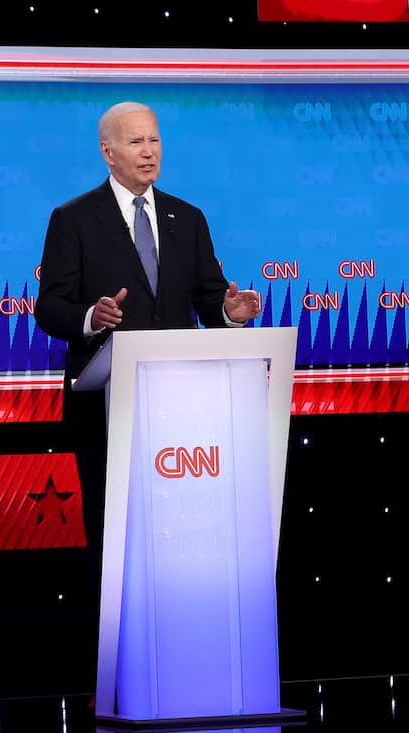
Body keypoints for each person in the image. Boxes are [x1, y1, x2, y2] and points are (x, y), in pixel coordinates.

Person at [35, 101, 263, 560]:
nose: (148, 152)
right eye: (135, 141)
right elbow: (49, 308)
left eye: (154, 140)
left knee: (176, 527)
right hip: (105, 407)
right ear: (108, 152)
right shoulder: (73, 219)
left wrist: (229, 312)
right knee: (114, 534)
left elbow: (208, 297)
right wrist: (90, 318)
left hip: (180, 405)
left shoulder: (188, 218)